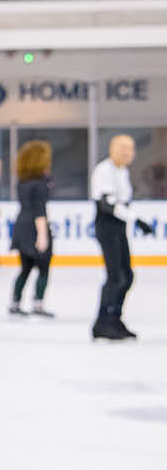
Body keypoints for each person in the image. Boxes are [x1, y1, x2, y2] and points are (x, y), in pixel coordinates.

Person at [91, 135, 155, 340]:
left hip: (118, 227)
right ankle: (102, 321)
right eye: (125, 149)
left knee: (126, 275)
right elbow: (107, 204)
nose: (130, 154)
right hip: (107, 226)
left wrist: (132, 220)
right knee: (115, 276)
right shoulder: (104, 171)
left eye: (132, 149)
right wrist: (135, 220)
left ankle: (115, 318)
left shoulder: (122, 171)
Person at [9, 141, 55, 319]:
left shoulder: (22, 182)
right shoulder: (41, 183)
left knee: (25, 268)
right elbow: (40, 211)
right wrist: (42, 235)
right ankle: (38, 303)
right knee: (43, 268)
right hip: (35, 227)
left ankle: (15, 302)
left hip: (22, 225)